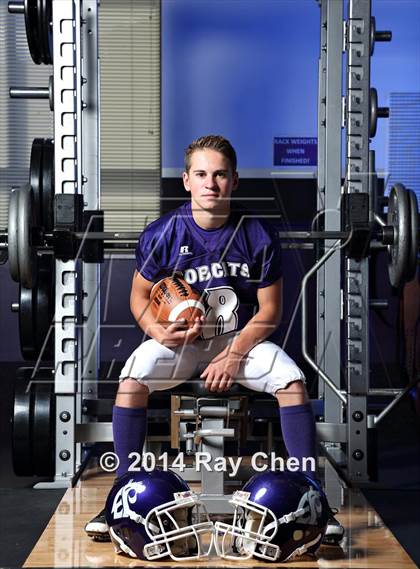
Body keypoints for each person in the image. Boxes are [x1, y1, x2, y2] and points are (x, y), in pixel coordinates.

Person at [85, 134, 344, 545]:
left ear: (235, 181)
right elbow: (138, 297)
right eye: (202, 174)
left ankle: (314, 498)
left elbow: (270, 313)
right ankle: (122, 493)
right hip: (182, 342)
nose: (211, 183)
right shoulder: (163, 233)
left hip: (240, 342)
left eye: (220, 174)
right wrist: (157, 330)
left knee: (292, 382)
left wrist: (231, 356)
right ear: (186, 180)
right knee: (131, 379)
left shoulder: (257, 233)